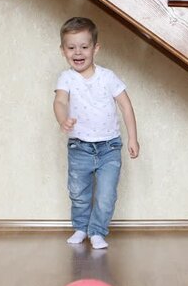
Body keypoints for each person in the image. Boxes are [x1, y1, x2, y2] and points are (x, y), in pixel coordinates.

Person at [53, 17, 139, 249]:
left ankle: (98, 231)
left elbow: (126, 105)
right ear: (63, 51)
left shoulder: (107, 77)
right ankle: (81, 228)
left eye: (84, 46)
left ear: (95, 48)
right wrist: (63, 119)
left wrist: (132, 137)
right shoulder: (66, 78)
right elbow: (60, 101)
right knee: (79, 192)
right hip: (79, 147)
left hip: (109, 147)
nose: (78, 52)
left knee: (106, 194)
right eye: (71, 48)